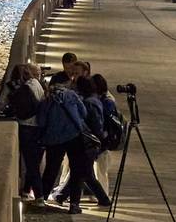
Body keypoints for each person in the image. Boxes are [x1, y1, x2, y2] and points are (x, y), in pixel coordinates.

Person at [40, 77, 109, 212]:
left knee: (51, 169)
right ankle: (74, 204)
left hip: (54, 138)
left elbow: (41, 119)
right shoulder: (71, 95)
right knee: (77, 170)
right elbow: (83, 112)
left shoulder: (47, 98)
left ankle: (42, 198)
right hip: (74, 136)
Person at [6, 63, 48, 201]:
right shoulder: (37, 84)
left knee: (31, 164)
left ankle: (39, 196)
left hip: (27, 127)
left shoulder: (26, 87)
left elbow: (21, 109)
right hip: (39, 127)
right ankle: (26, 191)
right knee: (34, 162)